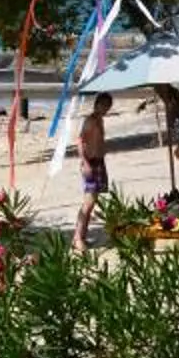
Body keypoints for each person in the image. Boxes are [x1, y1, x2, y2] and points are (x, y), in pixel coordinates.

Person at [75, 94, 113, 250]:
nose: (105, 109)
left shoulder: (99, 120)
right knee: (88, 202)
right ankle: (78, 238)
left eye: (108, 106)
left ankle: (81, 236)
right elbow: (80, 141)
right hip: (90, 162)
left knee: (92, 201)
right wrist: (85, 162)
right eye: (103, 105)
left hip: (98, 162)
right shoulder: (90, 121)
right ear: (97, 104)